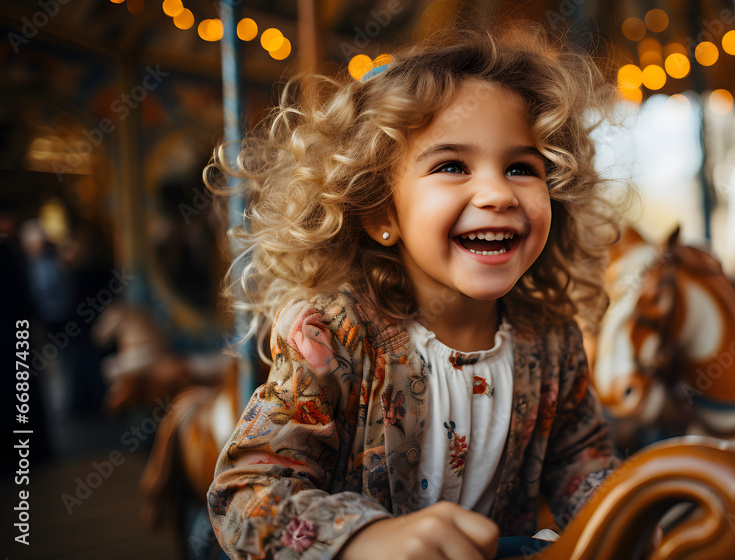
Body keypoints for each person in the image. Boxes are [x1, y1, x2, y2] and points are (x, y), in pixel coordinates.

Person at [206, 19, 632, 560]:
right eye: (453, 164)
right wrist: (362, 539)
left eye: (522, 167)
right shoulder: (335, 334)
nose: (498, 192)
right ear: (384, 212)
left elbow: (581, 461)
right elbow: (245, 492)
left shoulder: (550, 338)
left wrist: (625, 516)